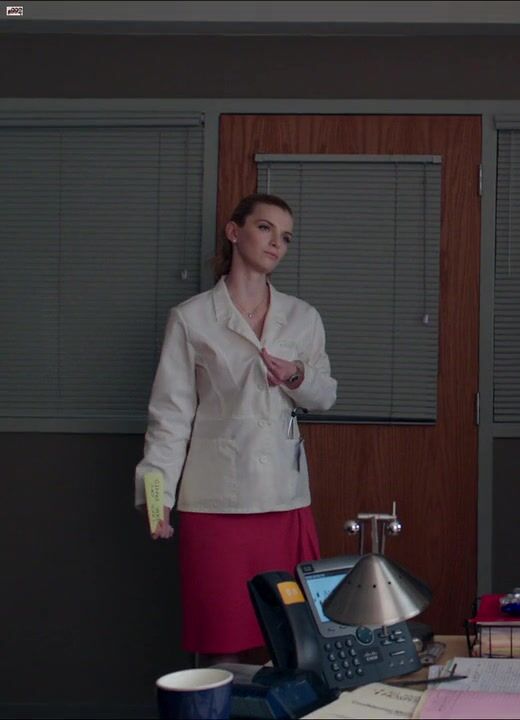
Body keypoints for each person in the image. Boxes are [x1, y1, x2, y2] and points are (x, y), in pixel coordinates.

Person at [135, 193, 338, 664]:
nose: (276, 243)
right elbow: (169, 416)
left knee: (294, 643)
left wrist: (296, 376)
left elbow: (325, 395)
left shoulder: (303, 317)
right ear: (234, 232)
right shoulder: (191, 318)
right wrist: (156, 498)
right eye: (265, 228)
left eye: (286, 237)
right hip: (216, 503)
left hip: (284, 498)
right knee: (221, 643)